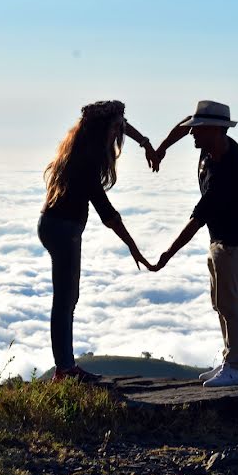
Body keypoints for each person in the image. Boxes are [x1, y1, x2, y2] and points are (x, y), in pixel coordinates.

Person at [39, 100, 155, 382]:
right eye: (116, 126)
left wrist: (145, 143)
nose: (120, 132)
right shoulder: (87, 161)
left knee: (68, 298)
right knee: (65, 301)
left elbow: (125, 127)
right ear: (104, 128)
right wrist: (133, 247)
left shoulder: (80, 147)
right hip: (63, 230)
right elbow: (108, 214)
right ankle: (65, 369)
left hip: (55, 226)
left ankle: (64, 366)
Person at [149, 100, 238, 387]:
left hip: (235, 243)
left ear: (215, 129)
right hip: (222, 239)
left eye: (199, 129)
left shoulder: (226, 172)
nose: (192, 133)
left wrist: (166, 256)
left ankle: (236, 365)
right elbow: (183, 126)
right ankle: (229, 360)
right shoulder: (213, 146)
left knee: (229, 304)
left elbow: (195, 221)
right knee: (219, 303)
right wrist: (161, 148)